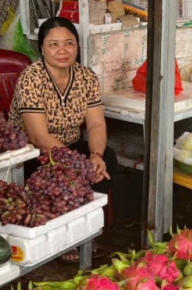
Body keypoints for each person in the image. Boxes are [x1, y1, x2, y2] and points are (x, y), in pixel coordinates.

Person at [9, 18, 116, 258]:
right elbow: (38, 136)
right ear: (42, 48)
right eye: (53, 44)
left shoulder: (86, 76)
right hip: (34, 153)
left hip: (70, 145)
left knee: (107, 159)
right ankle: (60, 237)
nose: (62, 50)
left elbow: (96, 124)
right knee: (61, 173)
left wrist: (95, 155)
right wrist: (76, 163)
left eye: (69, 43)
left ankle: (84, 230)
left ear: (77, 46)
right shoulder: (31, 79)